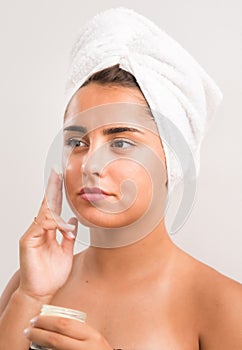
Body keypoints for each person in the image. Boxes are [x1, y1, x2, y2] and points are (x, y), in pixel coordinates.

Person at [0, 8, 241, 350]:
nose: (90, 164)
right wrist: (29, 296)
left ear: (173, 160)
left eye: (121, 142)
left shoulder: (223, 306)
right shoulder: (29, 286)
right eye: (76, 142)